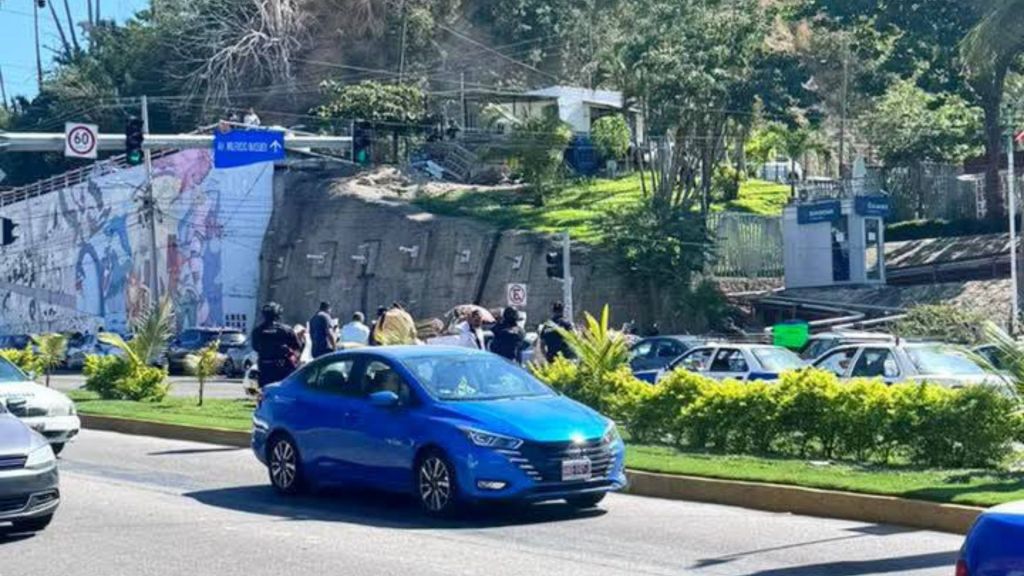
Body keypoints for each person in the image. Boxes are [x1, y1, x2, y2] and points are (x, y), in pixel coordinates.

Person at [251, 302, 302, 388]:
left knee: (265, 390)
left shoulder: (257, 331)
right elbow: (297, 347)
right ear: (278, 314)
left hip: (264, 366)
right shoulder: (286, 329)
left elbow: (255, 347)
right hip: (282, 367)